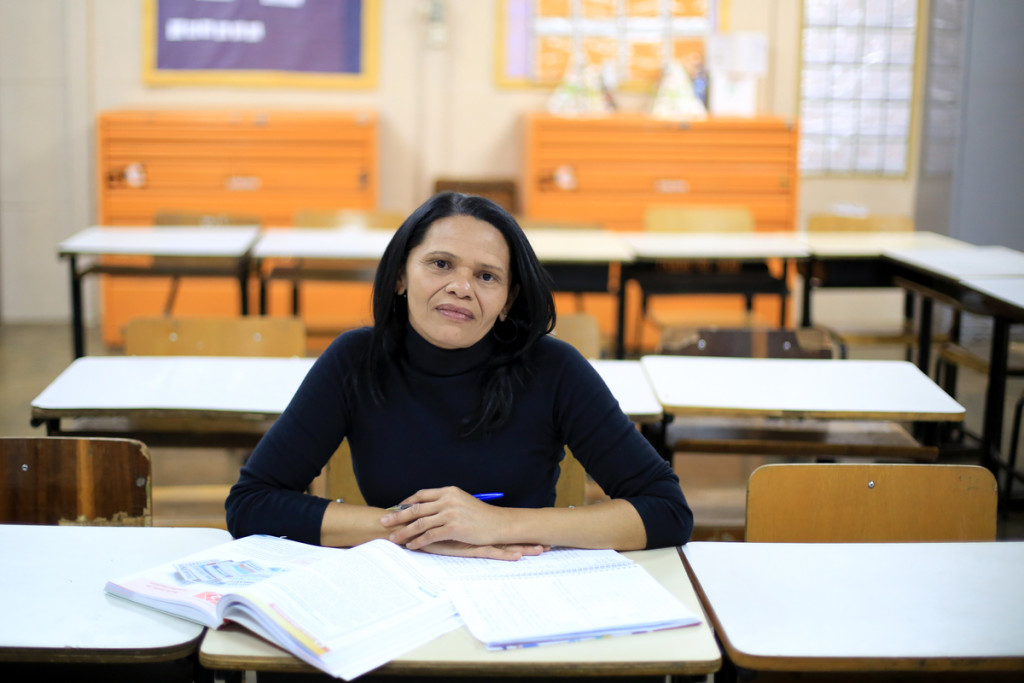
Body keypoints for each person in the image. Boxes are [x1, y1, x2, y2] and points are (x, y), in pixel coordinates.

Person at [226, 192, 692, 559]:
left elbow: (666, 510)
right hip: (395, 581)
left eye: (487, 276)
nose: (461, 287)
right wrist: (418, 530)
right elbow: (251, 502)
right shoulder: (356, 359)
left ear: (508, 300)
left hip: (519, 583)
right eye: (441, 264)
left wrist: (500, 524)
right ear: (401, 277)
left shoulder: (554, 368)